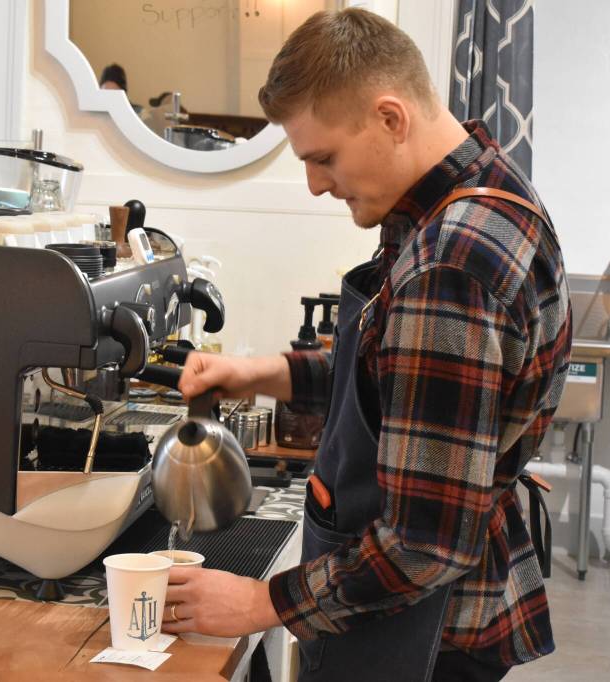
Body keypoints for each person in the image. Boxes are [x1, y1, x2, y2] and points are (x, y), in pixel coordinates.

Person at [162, 8, 570, 681]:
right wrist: (264, 372)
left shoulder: (450, 266)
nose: (316, 183)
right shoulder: (481, 190)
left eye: (323, 157)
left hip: (422, 631)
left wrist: (264, 601)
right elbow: (402, 375)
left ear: (390, 117)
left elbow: (422, 547)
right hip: (441, 607)